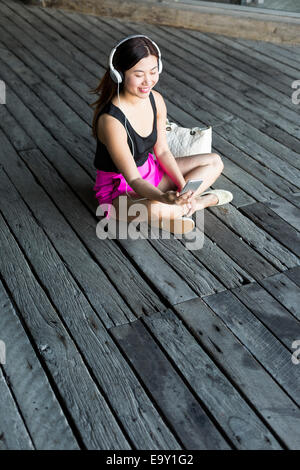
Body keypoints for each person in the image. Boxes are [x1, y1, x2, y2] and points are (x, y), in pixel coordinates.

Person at [89, 34, 232, 234]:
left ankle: (182, 207)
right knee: (155, 206)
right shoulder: (111, 121)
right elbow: (134, 180)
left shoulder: (156, 100)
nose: (148, 81)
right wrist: (162, 197)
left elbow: (163, 151)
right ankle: (201, 203)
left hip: (152, 172)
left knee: (215, 162)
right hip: (120, 192)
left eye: (153, 72)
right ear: (119, 74)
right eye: (139, 74)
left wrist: (184, 190)